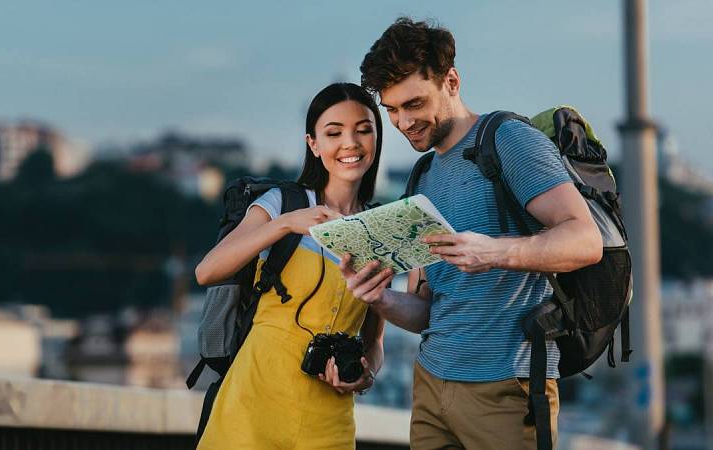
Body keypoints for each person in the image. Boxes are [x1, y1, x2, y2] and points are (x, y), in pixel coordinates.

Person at [339, 18, 604, 450]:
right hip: (430, 386)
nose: (403, 122)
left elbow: (585, 240)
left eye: (414, 104)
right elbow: (426, 310)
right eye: (392, 110)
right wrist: (380, 299)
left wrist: (493, 252)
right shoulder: (422, 177)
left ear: (452, 81)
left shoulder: (509, 141)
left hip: (506, 388)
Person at [194, 82, 386, 450]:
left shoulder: (378, 228)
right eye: (334, 133)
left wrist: (366, 374)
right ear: (313, 144)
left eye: (364, 130)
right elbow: (207, 271)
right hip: (251, 409)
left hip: (330, 422)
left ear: (376, 140)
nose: (351, 143)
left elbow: (374, 339)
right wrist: (284, 223)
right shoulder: (283, 202)